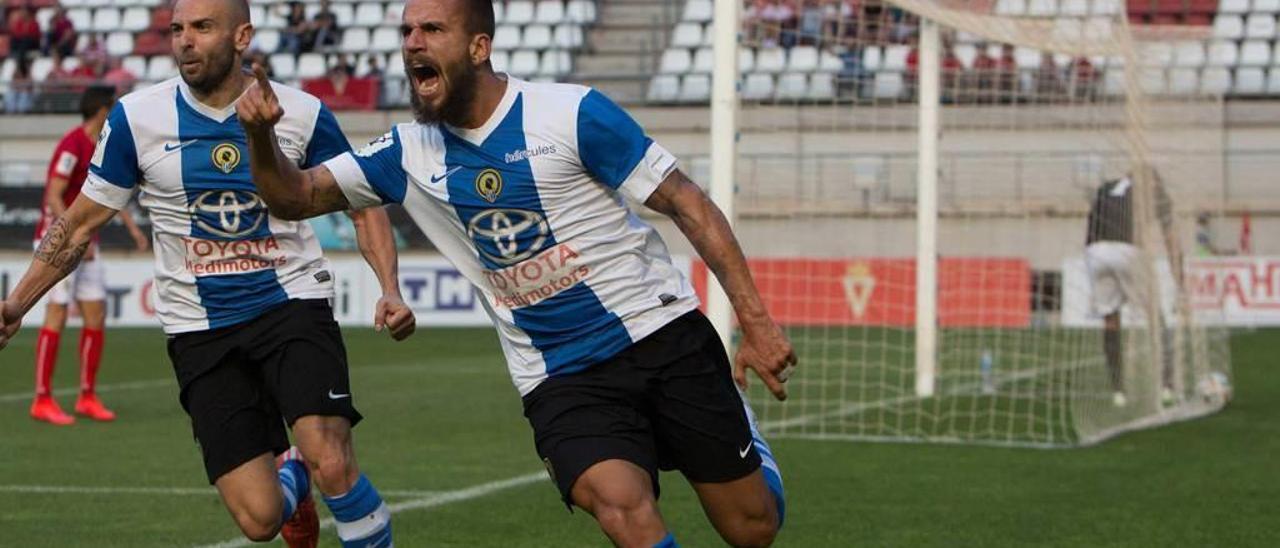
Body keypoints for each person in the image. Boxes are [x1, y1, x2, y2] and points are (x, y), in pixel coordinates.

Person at [236, 0, 794, 545]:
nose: (412, 44)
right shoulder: (405, 152)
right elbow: (296, 197)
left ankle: (741, 427)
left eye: (431, 29)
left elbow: (687, 202)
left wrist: (756, 322)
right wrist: (261, 137)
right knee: (621, 507)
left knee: (752, 527)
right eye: (406, 32)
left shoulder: (570, 113)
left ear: (479, 47)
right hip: (558, 373)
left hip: (658, 332)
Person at [0, 1, 413, 547]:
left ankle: (314, 472)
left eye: (201, 27)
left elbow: (363, 205)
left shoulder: (302, 112)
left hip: (290, 302)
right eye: (176, 29)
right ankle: (293, 480)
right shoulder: (136, 118)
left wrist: (389, 287)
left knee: (331, 459)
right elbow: (76, 226)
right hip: (198, 326)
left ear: (242, 36)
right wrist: (16, 303)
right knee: (261, 520)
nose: (184, 41)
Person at [29, 86, 149, 426]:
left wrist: (132, 228)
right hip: (59, 241)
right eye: (111, 105)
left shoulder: (103, 145)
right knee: (57, 315)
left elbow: (111, 192)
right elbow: (53, 195)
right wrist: (69, 234)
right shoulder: (72, 144)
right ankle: (42, 398)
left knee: (95, 315)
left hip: (86, 242)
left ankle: (86, 395)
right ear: (101, 109)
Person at [1085, 168, 1180, 407]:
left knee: (1110, 319)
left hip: (1094, 251)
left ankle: (1118, 391)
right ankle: (1167, 385)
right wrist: (1180, 277)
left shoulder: (1106, 186)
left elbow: (1093, 220)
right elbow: (1171, 239)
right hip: (1128, 249)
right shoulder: (1155, 192)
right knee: (1154, 317)